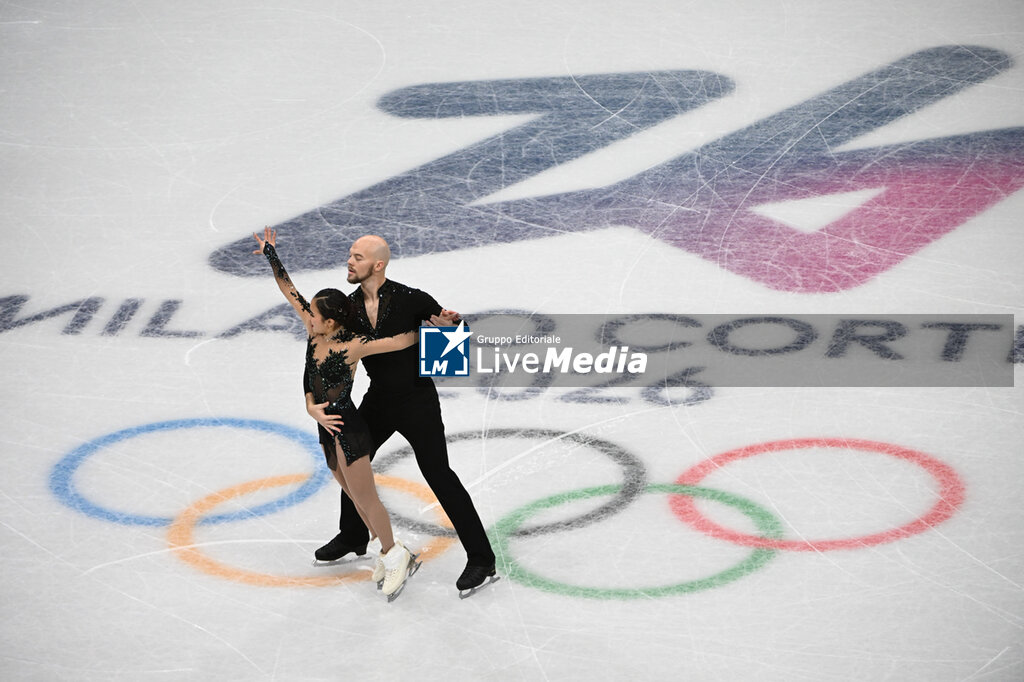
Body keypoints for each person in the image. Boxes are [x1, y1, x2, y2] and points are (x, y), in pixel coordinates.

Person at [308, 234, 497, 594]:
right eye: (350, 255)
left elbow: (454, 343)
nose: (349, 261)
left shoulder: (412, 298)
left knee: (439, 475)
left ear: (377, 265)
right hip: (379, 398)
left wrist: (451, 327)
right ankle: (353, 535)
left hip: (417, 401)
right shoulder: (348, 307)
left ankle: (482, 558)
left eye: (358, 257)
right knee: (352, 456)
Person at [253, 227, 417, 599]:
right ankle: (384, 549)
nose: (306, 316)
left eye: (313, 313)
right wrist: (271, 254)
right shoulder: (315, 333)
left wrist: (440, 323)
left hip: (347, 428)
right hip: (326, 428)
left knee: (366, 498)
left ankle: (396, 554)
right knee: (353, 496)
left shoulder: (353, 345)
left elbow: (400, 340)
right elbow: (288, 289)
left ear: (330, 322)